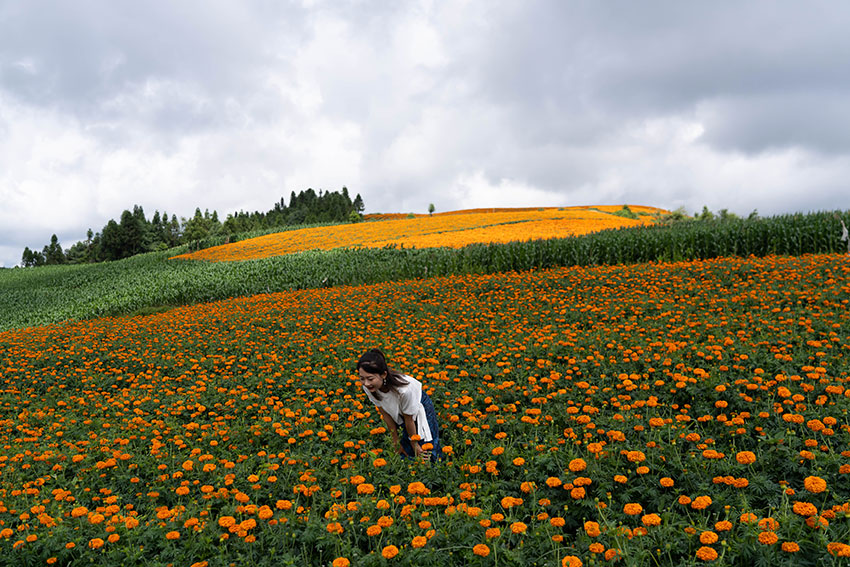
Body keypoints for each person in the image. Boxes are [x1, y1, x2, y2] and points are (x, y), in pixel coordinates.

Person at [357, 349, 441, 462]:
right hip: (400, 412)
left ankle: (435, 468)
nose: (366, 383)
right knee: (404, 451)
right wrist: (395, 441)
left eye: (370, 378)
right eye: (362, 378)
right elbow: (386, 415)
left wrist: (414, 443)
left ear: (383, 374)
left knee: (426, 450)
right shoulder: (370, 388)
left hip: (419, 406)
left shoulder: (404, 390)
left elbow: (409, 419)